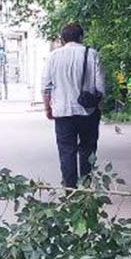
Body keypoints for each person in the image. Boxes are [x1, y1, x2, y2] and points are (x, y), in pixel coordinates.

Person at [42, 23, 105, 187]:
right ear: (81, 37)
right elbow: (100, 87)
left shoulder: (53, 56)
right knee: (88, 149)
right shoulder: (92, 54)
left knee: (66, 151)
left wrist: (47, 108)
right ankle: (86, 186)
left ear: (62, 39)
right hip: (87, 111)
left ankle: (70, 189)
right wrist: (98, 105)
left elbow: (46, 86)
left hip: (62, 112)